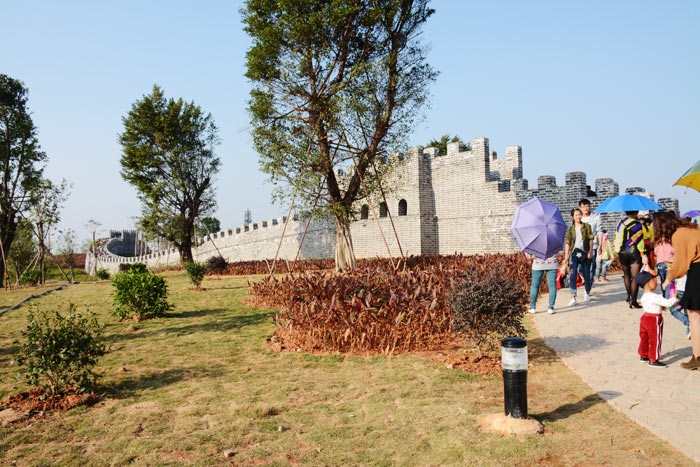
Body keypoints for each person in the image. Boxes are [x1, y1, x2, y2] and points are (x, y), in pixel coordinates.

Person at [659, 213, 700, 370]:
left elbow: (680, 264)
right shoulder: (693, 228)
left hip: (697, 271)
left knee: (694, 316)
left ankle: (697, 357)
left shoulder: (679, 234)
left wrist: (668, 279)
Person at [636, 268, 677, 368]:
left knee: (644, 338)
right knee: (655, 339)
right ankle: (653, 359)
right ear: (647, 284)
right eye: (653, 281)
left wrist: (660, 307)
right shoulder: (655, 296)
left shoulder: (644, 296)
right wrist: (674, 297)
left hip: (645, 318)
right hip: (654, 319)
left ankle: (643, 355)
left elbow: (650, 305)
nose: (656, 282)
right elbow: (669, 303)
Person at [562, 207, 593, 306]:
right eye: (576, 215)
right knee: (572, 274)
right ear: (572, 217)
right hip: (574, 254)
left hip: (585, 253)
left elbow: (591, 239)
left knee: (586, 274)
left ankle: (587, 292)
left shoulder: (587, 226)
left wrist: (590, 251)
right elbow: (567, 242)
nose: (578, 216)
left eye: (580, 214)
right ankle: (573, 297)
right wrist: (566, 257)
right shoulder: (571, 229)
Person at [615, 210, 646, 309]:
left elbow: (616, 238)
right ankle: (633, 300)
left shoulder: (620, 223)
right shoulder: (637, 224)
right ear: (635, 213)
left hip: (622, 252)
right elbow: (639, 240)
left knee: (626, 275)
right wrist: (643, 254)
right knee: (635, 277)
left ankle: (629, 297)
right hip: (634, 251)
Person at [579, 199, 603, 286]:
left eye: (587, 206)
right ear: (580, 208)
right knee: (579, 267)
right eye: (583, 206)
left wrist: (600, 245)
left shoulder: (596, 217)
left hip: (592, 246)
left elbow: (599, 232)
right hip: (580, 246)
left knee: (591, 267)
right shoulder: (578, 217)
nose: (585, 208)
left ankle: (588, 286)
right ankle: (584, 278)